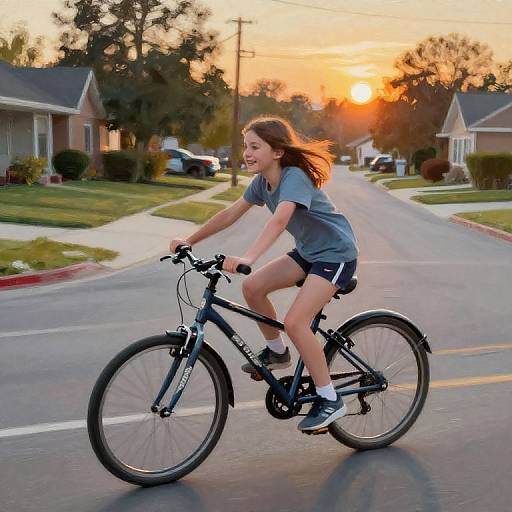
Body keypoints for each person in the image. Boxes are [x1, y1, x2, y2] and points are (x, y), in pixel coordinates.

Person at [170, 116, 358, 431]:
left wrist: (248, 256)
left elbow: (280, 220)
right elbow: (229, 213)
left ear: (278, 152)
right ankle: (277, 351)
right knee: (253, 287)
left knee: (296, 322)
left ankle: (329, 400)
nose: (247, 152)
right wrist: (189, 240)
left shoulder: (294, 176)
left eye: (255, 146)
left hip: (336, 254)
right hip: (310, 253)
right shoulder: (261, 183)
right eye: (246, 146)